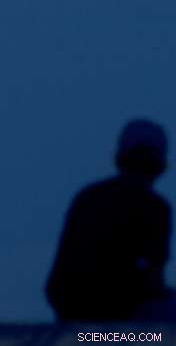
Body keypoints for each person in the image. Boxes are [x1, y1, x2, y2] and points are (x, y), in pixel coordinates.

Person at [45, 119, 171, 321]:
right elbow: (154, 281)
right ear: (160, 164)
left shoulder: (87, 196)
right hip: (116, 312)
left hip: (70, 308)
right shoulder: (154, 207)